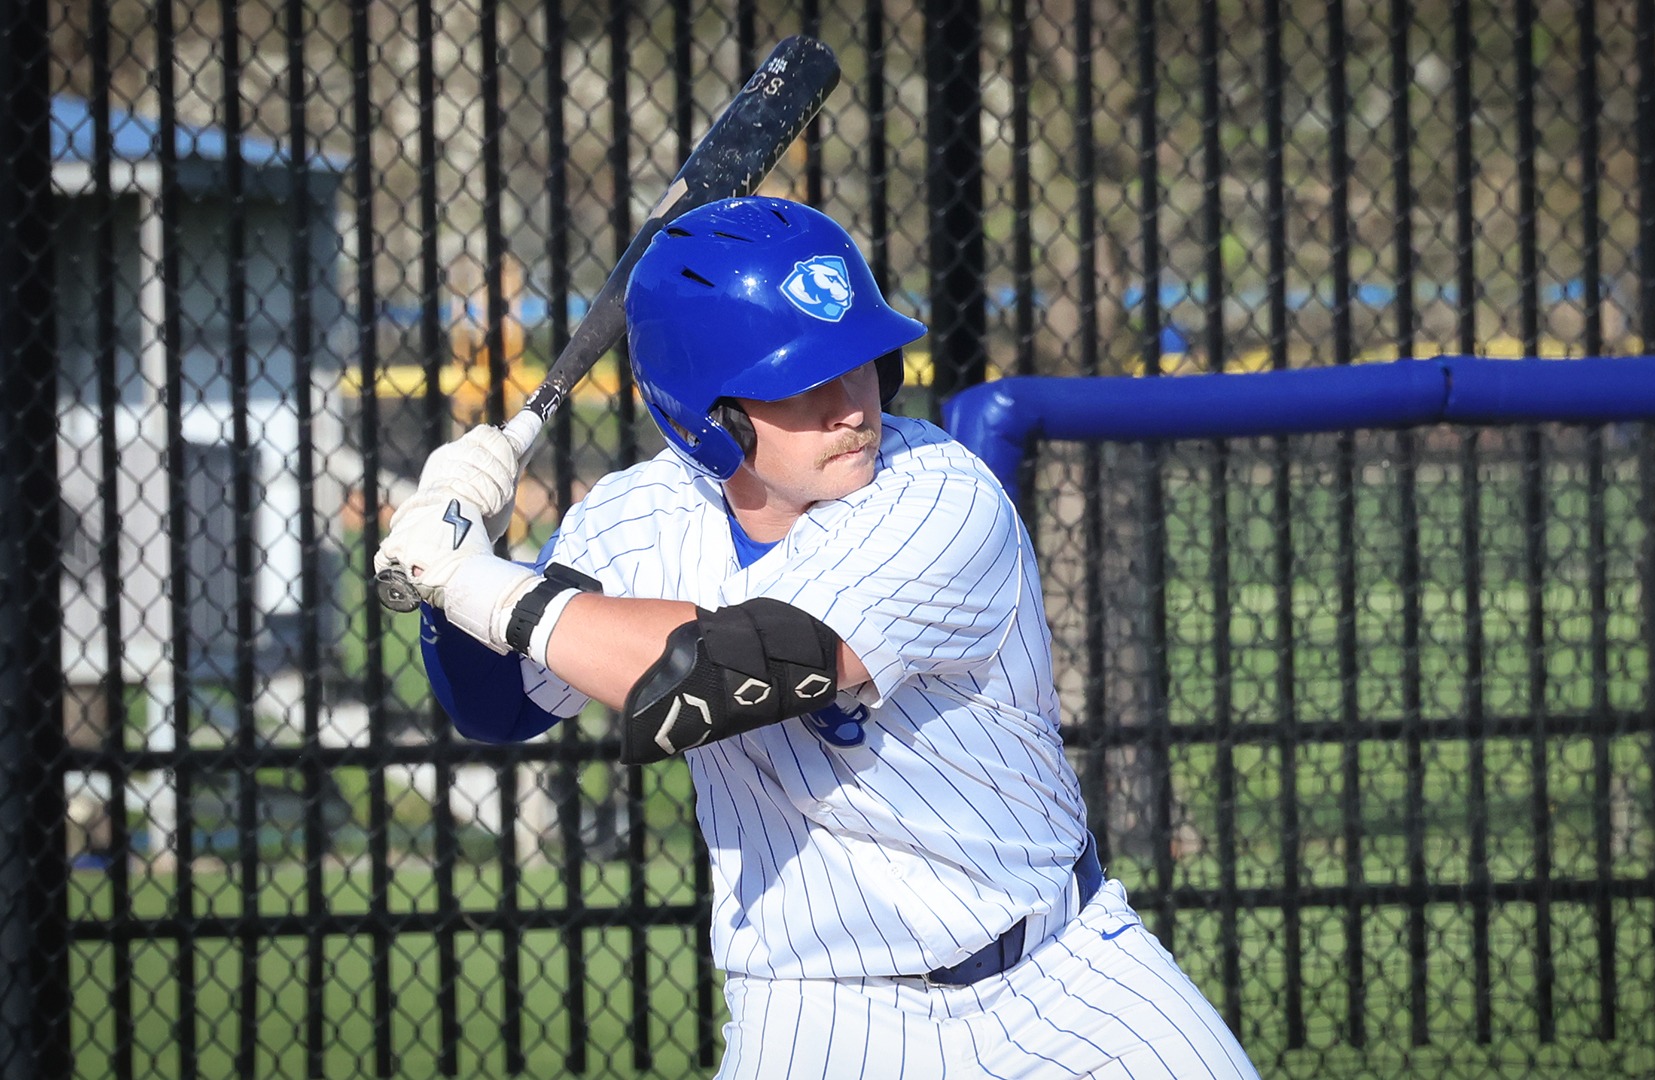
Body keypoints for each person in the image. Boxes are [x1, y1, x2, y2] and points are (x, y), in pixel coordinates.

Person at [375, 196, 1259, 1079]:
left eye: (862, 362)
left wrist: (480, 584)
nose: (851, 406)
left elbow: (725, 674)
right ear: (707, 415)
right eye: (803, 382)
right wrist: (448, 557)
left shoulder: (939, 493)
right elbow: (498, 705)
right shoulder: (636, 520)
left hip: (1062, 977)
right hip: (819, 1012)